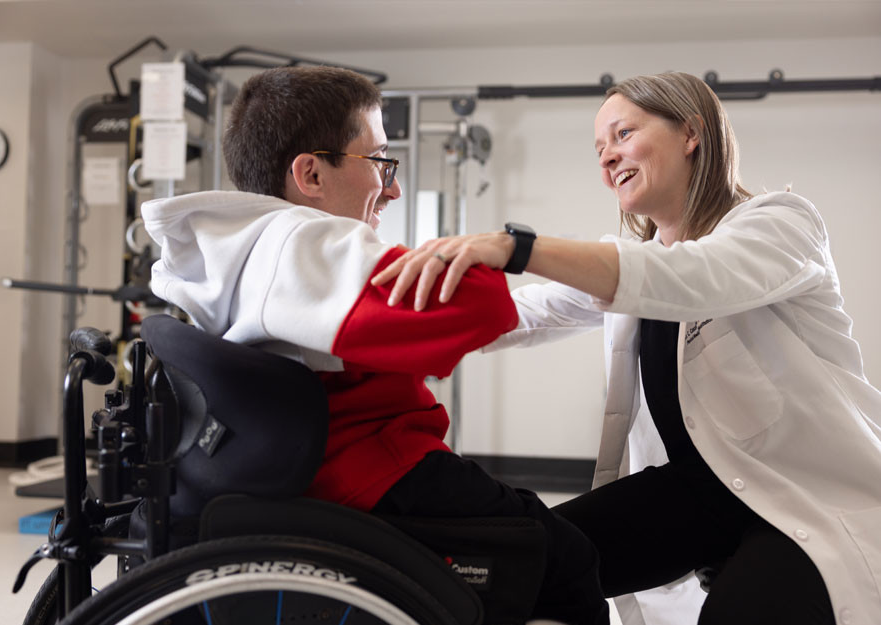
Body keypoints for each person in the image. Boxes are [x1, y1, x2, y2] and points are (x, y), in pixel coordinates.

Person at [373, 71, 881, 625]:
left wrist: (516, 246)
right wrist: (376, 329)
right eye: (599, 150)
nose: (608, 158)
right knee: (537, 563)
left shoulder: (781, 224)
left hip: (802, 498)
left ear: (691, 133)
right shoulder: (642, 260)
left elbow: (696, 276)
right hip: (698, 496)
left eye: (622, 134)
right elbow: (528, 313)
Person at [141, 66, 609, 624]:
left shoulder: (236, 245)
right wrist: (504, 248)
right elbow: (476, 305)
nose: (393, 187)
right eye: (379, 160)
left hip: (316, 463)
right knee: (569, 557)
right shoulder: (306, 242)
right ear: (311, 173)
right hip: (372, 469)